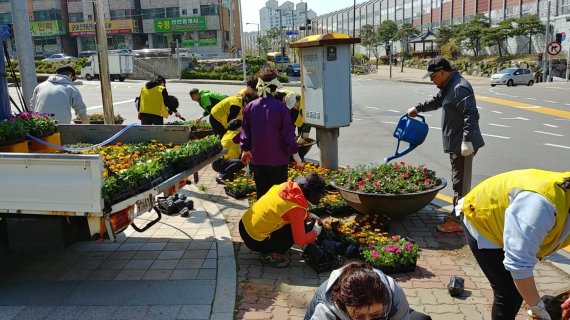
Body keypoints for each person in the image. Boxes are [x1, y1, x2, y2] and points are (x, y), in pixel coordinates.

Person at [457, 169, 570, 320]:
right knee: (509, 293)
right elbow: (518, 264)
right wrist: (539, 310)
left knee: (518, 289)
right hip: (483, 217)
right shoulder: (540, 207)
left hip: (516, 219)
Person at [407, 56, 485, 233]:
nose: (432, 80)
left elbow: (471, 115)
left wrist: (467, 140)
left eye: (433, 76)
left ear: (442, 72)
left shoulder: (459, 88)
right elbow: (437, 101)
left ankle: (459, 221)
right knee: (458, 181)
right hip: (457, 143)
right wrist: (418, 108)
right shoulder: (448, 86)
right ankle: (458, 216)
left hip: (463, 146)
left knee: (461, 184)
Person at [239, 173, 326, 267]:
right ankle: (269, 254)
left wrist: (308, 215)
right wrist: (315, 231)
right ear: (313, 194)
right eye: (320, 194)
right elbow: (299, 241)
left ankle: (271, 245)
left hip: (244, 225)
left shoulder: (284, 187)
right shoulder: (295, 208)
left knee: (297, 225)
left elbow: (285, 209)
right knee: (300, 230)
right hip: (254, 241)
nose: (320, 197)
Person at [240, 67, 302, 199]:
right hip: (278, 159)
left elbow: (245, 131)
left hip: (258, 159)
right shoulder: (281, 108)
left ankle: (262, 218)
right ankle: (276, 219)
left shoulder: (250, 106)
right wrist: (296, 155)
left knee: (262, 194)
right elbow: (288, 134)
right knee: (279, 195)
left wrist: (245, 150)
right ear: (275, 87)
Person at [305, 261, 432, 320]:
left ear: (385, 300)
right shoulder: (325, 311)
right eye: (359, 316)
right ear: (344, 305)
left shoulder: (394, 292)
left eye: (375, 315)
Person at [212, 119, 245, 184]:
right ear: (238, 128)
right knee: (241, 162)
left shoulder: (227, 133)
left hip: (216, 162)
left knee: (233, 177)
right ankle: (221, 176)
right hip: (221, 163)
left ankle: (226, 174)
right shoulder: (237, 135)